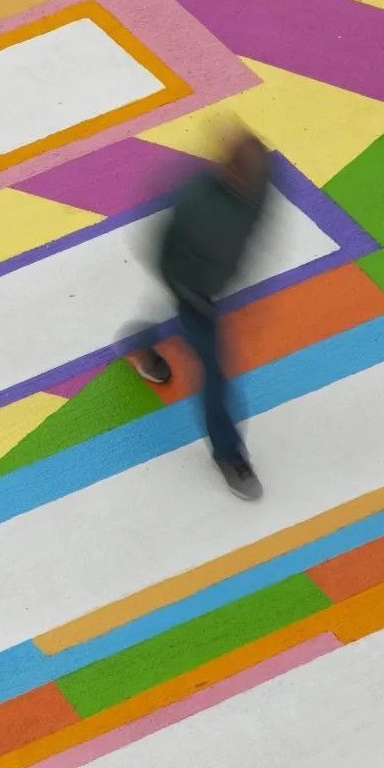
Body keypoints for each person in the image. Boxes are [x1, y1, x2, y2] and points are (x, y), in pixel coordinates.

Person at [129, 126, 271, 501]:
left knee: (182, 331)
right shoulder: (195, 201)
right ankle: (229, 455)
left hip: (219, 284)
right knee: (215, 375)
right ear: (230, 171)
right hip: (194, 292)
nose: (251, 187)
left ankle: (140, 343)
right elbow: (161, 252)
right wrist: (188, 293)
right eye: (245, 179)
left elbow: (258, 225)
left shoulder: (262, 179)